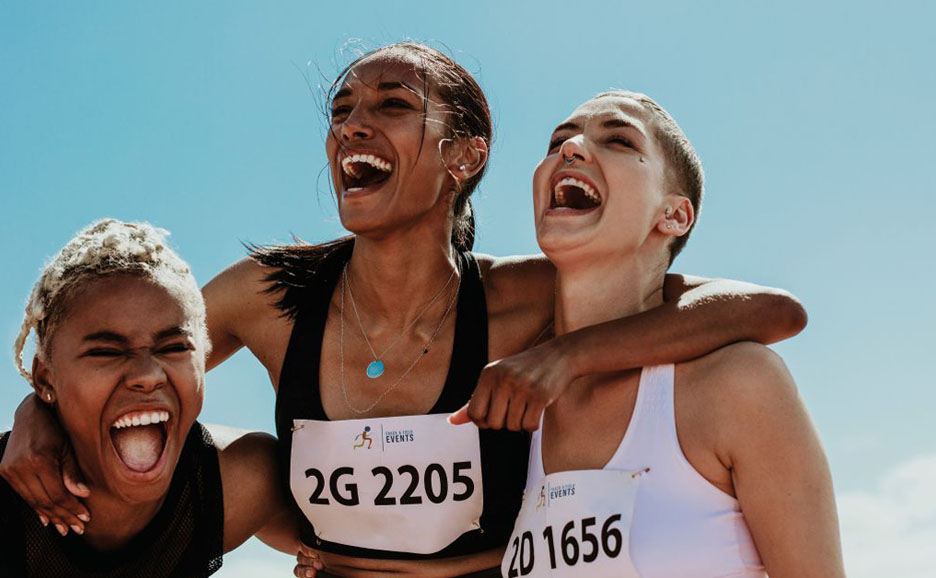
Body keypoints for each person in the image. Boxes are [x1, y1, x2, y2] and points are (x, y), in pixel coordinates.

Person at [2, 44, 806, 578]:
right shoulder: (268, 296)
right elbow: (131, 369)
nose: (354, 122)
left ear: (466, 154)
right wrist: (34, 413)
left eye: (391, 105)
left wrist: (565, 355)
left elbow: (765, 310)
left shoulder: (526, 298)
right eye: (343, 108)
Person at [495, 91, 844, 577]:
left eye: (618, 140)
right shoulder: (509, 402)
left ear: (674, 215)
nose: (569, 148)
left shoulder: (737, 383)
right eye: (556, 142)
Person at [0, 220, 299, 577]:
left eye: (174, 347)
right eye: (106, 352)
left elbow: (353, 548)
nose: (148, 375)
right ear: (44, 377)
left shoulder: (241, 481)